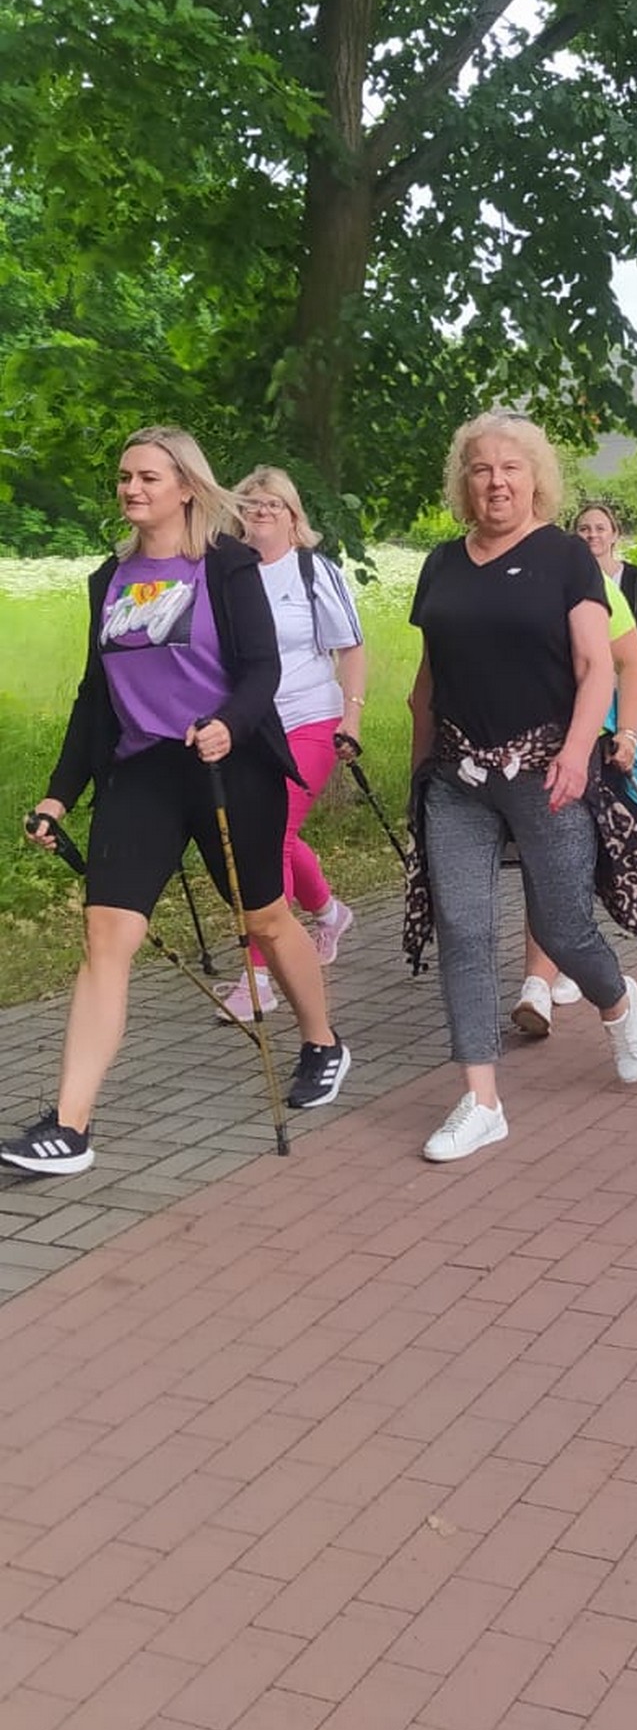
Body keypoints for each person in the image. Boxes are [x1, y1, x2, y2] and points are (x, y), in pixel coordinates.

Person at [3, 428, 351, 1178]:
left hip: (228, 764)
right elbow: (94, 696)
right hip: (143, 772)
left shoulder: (226, 566)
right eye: (124, 477)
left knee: (264, 917)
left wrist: (230, 723)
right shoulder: (110, 578)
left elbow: (261, 669)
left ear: (187, 487)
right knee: (106, 936)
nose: (131, 489)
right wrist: (60, 795)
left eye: (148, 477)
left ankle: (322, 1041)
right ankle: (70, 1125)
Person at [408, 412, 637, 1164]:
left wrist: (579, 753)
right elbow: (427, 681)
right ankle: (481, 1100)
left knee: (565, 926)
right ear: (464, 482)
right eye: (481, 468)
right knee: (464, 929)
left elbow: (598, 667)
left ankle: (617, 998)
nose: (496, 482)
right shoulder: (442, 564)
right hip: (457, 778)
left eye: (510, 467)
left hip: (545, 770)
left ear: (535, 478)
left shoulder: (565, 558)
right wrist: (418, 772)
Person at [219, 467, 366, 1037]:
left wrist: (352, 716)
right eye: (251, 503)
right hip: (251, 726)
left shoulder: (312, 571)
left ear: (293, 516)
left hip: (310, 718)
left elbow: (351, 648)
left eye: (273, 504)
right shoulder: (226, 573)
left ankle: (259, 976)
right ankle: (329, 912)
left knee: (268, 834)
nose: (261, 512)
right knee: (270, 828)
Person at [512, 553, 637, 1038]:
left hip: (586, 744)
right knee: (543, 864)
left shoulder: (589, 581)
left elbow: (631, 665)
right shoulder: (495, 576)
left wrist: (628, 733)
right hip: (516, 751)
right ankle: (544, 978)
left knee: (561, 865)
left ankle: (558, 966)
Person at [573, 501, 637, 696]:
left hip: (628, 682)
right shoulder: (566, 582)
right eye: (584, 529)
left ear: (614, 534)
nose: (592, 535)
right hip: (581, 685)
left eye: (600, 528)